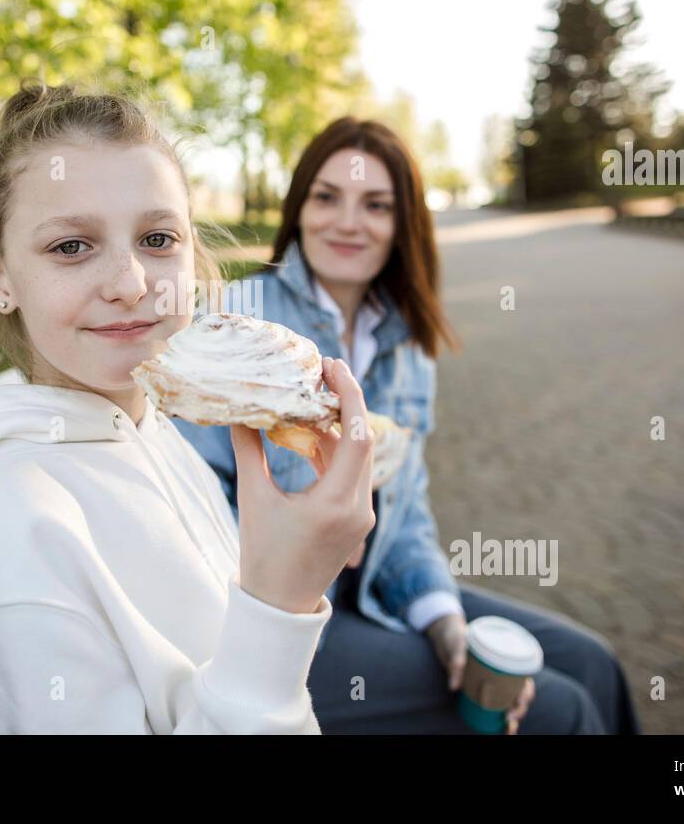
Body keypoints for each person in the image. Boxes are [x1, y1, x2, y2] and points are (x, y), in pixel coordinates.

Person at [0, 80, 375, 734]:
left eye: (158, 240)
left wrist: (292, 566)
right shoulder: (13, 521)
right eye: (71, 247)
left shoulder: (151, 429)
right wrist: (284, 596)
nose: (131, 284)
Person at [175, 117, 643, 734]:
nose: (347, 221)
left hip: (378, 591)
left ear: (403, 225)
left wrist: (442, 618)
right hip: (280, 621)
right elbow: (186, 515)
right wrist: (313, 538)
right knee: (560, 709)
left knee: (594, 665)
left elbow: (407, 512)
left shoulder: (409, 341)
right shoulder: (240, 326)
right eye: (326, 197)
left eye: (375, 204)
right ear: (300, 208)